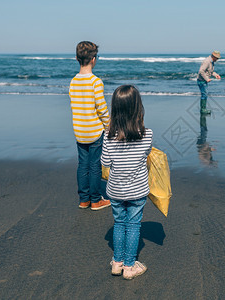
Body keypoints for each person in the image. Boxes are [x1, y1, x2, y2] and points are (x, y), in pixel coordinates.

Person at [101, 85, 153, 280]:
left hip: (115, 189)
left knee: (119, 222)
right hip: (138, 190)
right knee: (133, 225)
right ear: (138, 108)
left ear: (115, 109)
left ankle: (117, 262)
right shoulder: (147, 134)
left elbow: (105, 162)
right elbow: (145, 156)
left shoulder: (108, 135)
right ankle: (129, 266)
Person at [69, 41, 111, 210]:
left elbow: (75, 106)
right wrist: (109, 125)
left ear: (76, 58)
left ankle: (83, 199)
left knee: (82, 165)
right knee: (95, 166)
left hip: (79, 131)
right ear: (94, 59)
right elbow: (101, 108)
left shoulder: (73, 82)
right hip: (94, 131)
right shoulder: (96, 82)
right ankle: (95, 199)